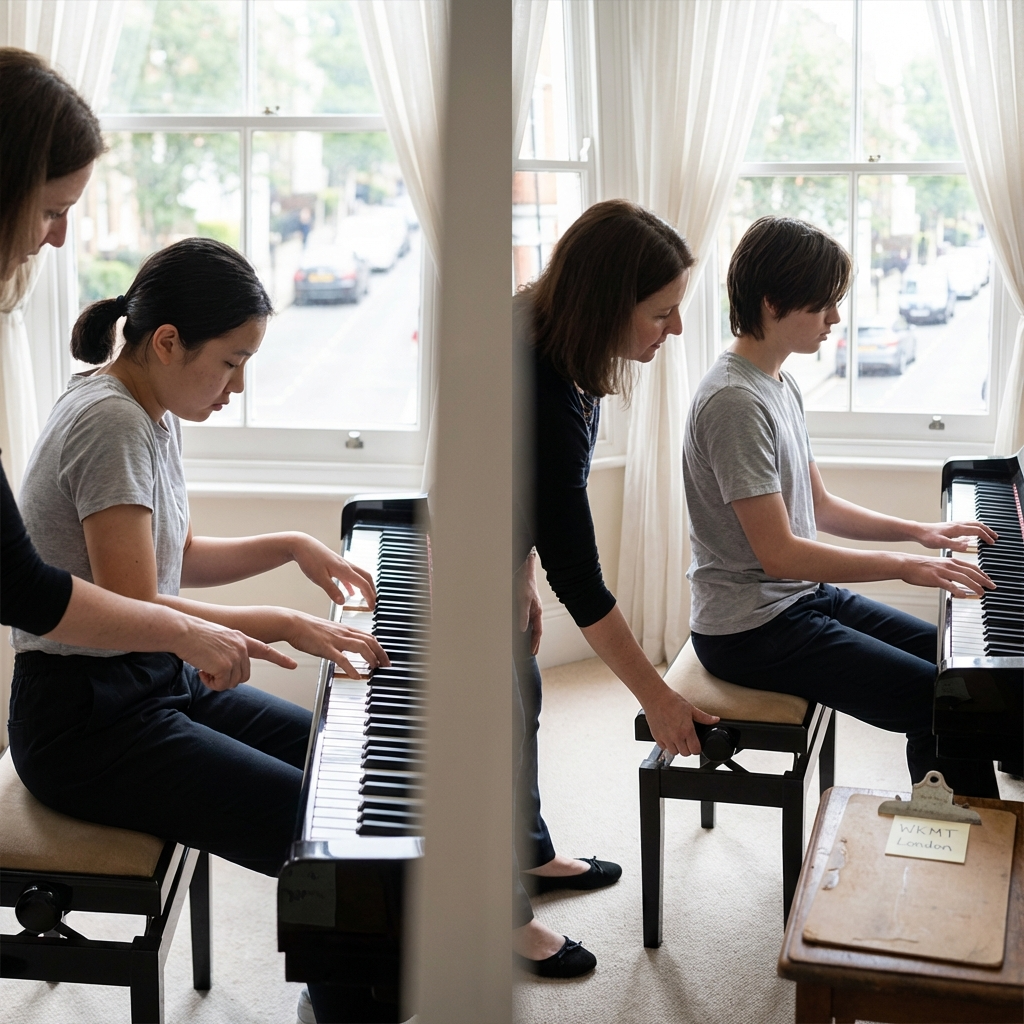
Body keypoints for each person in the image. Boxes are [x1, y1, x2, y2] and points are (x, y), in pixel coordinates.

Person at [683, 215, 1000, 800]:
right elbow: (779, 554)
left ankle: (965, 842)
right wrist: (904, 567)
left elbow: (820, 506)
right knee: (942, 701)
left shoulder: (777, 383)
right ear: (774, 303)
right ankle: (968, 860)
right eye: (823, 305)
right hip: (750, 630)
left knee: (961, 675)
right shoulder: (734, 402)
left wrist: (920, 534)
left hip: (796, 601)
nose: (835, 320)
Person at [511, 200, 721, 977]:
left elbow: (524, 494)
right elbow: (581, 573)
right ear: (608, 302)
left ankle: (528, 856)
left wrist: (518, 573)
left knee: (524, 699)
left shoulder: (558, 336)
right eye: (662, 314)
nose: (672, 331)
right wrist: (656, 696)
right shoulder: (534, 380)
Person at [2, 458, 295, 689]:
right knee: (304, 762)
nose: (238, 387)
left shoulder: (159, 418)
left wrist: (290, 546)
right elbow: (24, 591)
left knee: (306, 748)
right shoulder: (113, 423)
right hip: (88, 692)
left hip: (158, 669)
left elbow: (177, 557)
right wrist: (282, 624)